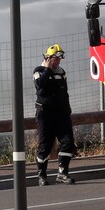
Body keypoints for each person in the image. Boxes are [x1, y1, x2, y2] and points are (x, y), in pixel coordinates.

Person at [34, 44, 76, 185]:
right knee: (45, 146)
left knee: (68, 142)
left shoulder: (61, 72)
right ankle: (42, 175)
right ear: (48, 58)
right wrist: (47, 69)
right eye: (55, 59)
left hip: (62, 113)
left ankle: (62, 174)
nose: (58, 62)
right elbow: (40, 86)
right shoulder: (39, 71)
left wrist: (68, 110)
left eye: (59, 59)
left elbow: (65, 93)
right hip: (45, 114)